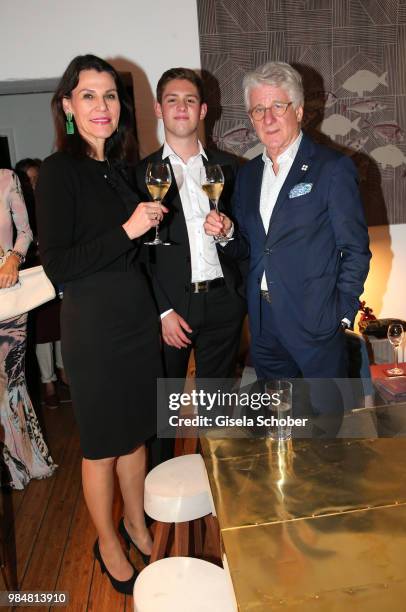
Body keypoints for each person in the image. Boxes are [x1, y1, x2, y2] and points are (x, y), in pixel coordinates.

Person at [36, 54, 164, 594]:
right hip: (93, 326)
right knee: (101, 446)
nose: (101, 106)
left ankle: (135, 522)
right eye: (88, 95)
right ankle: (107, 542)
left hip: (135, 318)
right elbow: (59, 264)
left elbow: (135, 250)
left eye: (110, 95)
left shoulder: (123, 168)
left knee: (135, 436)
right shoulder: (59, 171)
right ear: (67, 105)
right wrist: (129, 228)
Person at [205, 62, 371, 396]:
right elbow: (252, 248)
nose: (268, 118)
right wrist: (226, 234)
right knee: (280, 426)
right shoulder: (248, 175)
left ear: (297, 110)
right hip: (264, 324)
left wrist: (341, 315)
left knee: (327, 430)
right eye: (258, 109)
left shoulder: (332, 168)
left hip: (317, 321)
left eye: (277, 107)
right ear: (251, 118)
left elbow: (355, 249)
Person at [134, 68, 247, 460]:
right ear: (158, 110)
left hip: (222, 304)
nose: (181, 107)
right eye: (172, 100)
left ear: (203, 111)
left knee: (217, 411)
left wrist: (229, 233)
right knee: (162, 414)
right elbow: (136, 257)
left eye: (189, 100)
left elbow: (247, 246)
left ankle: (217, 494)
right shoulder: (139, 174)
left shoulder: (232, 169)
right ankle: (159, 496)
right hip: (169, 309)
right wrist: (161, 310)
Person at [0, 169, 56, 489]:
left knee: (11, 384)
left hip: (7, 297)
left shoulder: (7, 179)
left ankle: (22, 461)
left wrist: (13, 258)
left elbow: (25, 232)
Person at [15, 158, 67, 409]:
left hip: (55, 271)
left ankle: (62, 370)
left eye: (37, 179)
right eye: (29, 180)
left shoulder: (53, 203)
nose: (33, 185)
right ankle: (48, 382)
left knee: (61, 323)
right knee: (43, 331)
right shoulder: (16, 208)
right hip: (31, 274)